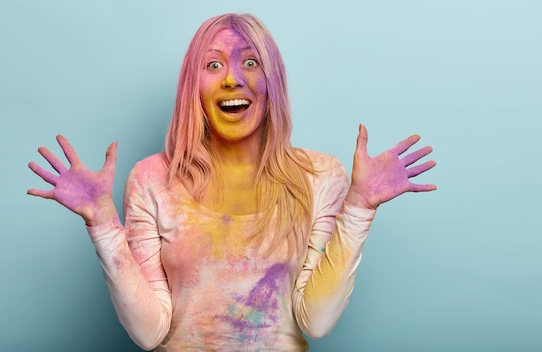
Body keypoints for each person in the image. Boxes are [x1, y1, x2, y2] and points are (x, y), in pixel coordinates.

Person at [27, 13, 436, 351]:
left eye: (251, 63)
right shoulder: (151, 178)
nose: (232, 79)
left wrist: (359, 209)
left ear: (272, 82)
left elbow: (317, 321)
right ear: (194, 88)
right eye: (214, 64)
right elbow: (149, 332)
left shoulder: (319, 176)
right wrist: (102, 223)